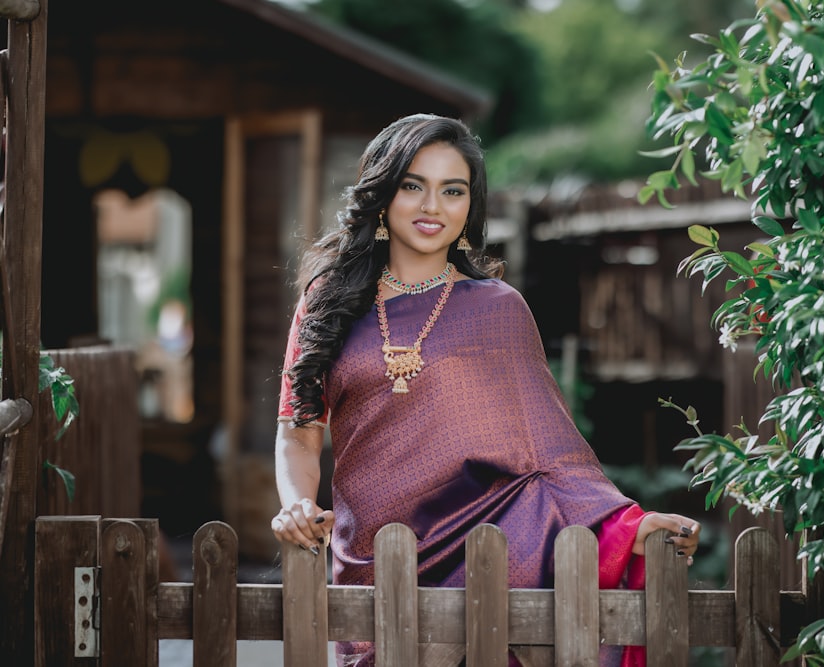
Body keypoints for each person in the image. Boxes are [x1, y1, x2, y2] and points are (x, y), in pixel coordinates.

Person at [270, 113, 701, 667]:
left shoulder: (497, 307)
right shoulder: (327, 303)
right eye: (413, 186)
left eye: (453, 191)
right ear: (382, 194)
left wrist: (625, 527)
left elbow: (549, 456)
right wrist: (297, 504)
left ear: (470, 207)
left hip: (489, 555)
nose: (433, 207)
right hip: (375, 559)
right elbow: (298, 434)